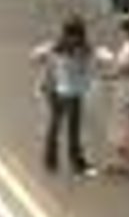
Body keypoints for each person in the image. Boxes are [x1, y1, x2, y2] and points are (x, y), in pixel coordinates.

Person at [32, 16, 96, 176]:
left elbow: (35, 56)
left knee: (60, 125)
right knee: (64, 126)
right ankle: (74, 162)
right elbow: (35, 56)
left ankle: (52, 160)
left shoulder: (65, 47)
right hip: (62, 91)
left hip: (63, 90)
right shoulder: (66, 48)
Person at [96, 18, 129, 171]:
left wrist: (109, 70)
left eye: (123, 30)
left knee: (120, 124)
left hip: (125, 89)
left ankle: (119, 162)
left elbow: (126, 68)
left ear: (128, 32)